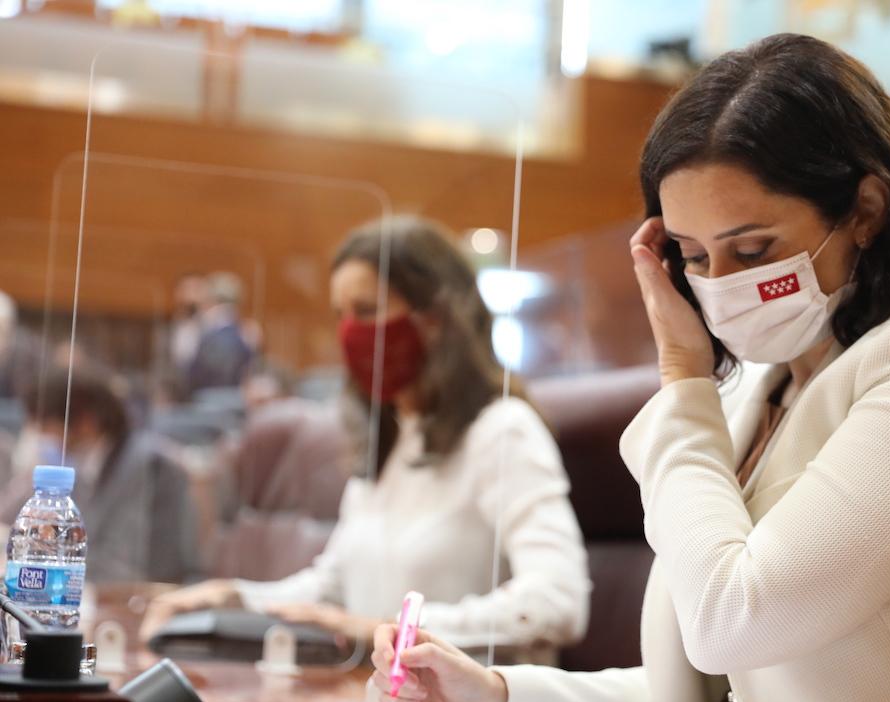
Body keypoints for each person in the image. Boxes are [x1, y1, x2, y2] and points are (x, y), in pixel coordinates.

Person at [367, 34, 890, 702]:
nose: (720, 284)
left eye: (753, 250)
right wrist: (496, 700)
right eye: (695, 257)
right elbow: (718, 691)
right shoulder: (748, 399)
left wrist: (683, 373)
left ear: (865, 210)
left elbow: (735, 621)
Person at [142, 216, 591, 662]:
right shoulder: (392, 436)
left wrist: (392, 631)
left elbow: (558, 602)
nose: (349, 333)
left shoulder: (503, 430)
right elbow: (333, 588)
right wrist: (231, 599)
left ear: (435, 319)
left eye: (367, 311)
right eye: (340, 315)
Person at [2, 365, 200, 583]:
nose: (41, 436)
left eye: (46, 426)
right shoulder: (86, 465)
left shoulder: (149, 465)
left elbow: (125, 564)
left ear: (86, 422)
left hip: (145, 596)